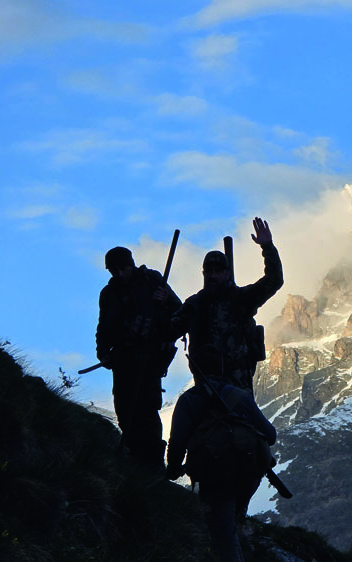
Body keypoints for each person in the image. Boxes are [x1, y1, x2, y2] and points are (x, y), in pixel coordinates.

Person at [166, 344, 277, 561]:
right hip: (248, 474)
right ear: (222, 367)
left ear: (193, 369)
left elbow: (177, 441)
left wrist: (172, 469)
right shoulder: (240, 396)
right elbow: (270, 435)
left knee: (222, 533)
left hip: (215, 475)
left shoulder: (190, 399)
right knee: (231, 523)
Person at [169, 217, 283, 394]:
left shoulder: (240, 298)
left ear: (227, 273)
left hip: (237, 383)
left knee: (241, 420)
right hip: (205, 383)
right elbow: (168, 331)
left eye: (218, 271)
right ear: (203, 273)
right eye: (209, 271)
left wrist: (267, 247)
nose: (213, 276)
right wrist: (160, 301)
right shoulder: (195, 304)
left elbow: (274, 280)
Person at [95, 246, 181, 469]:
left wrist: (163, 301)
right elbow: (103, 327)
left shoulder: (152, 280)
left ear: (131, 264)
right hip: (123, 359)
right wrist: (103, 352)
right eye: (114, 270)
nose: (119, 274)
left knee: (147, 408)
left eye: (123, 268)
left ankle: (152, 462)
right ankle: (134, 455)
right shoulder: (109, 294)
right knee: (124, 407)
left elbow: (179, 312)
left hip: (149, 357)